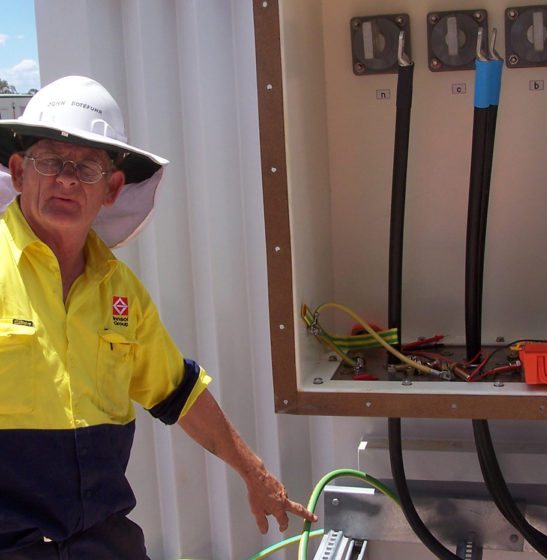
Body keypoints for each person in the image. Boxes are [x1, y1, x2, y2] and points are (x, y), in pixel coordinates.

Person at [0, 75, 316, 559]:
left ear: (111, 189)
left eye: (86, 168)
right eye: (50, 161)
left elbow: (180, 393)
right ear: (20, 172)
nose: (66, 178)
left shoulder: (120, 291)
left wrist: (256, 475)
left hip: (103, 543)